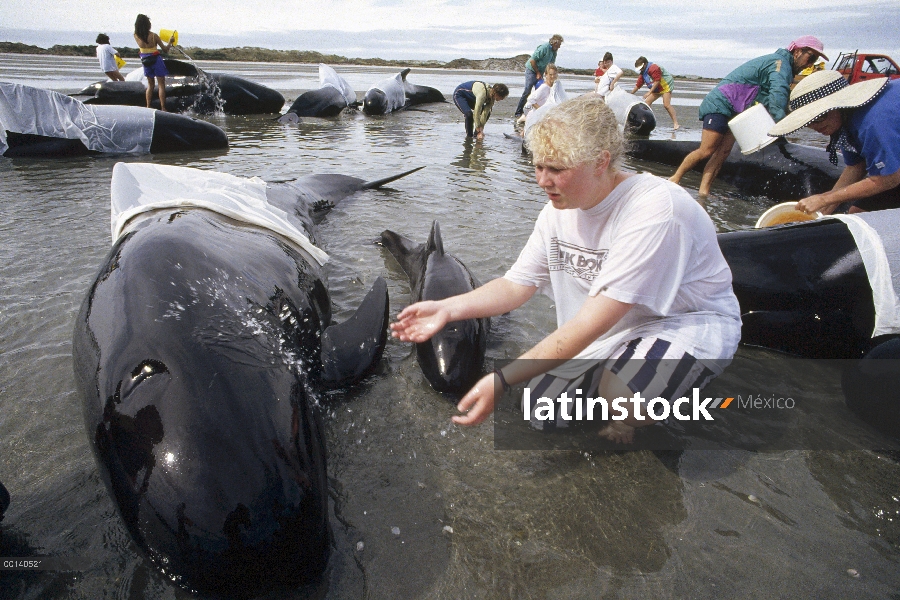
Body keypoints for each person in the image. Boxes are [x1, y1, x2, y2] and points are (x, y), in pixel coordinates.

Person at [390, 95, 741, 444]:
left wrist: (502, 378)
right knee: (543, 412)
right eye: (538, 166)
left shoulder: (656, 210)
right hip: (614, 329)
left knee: (624, 401)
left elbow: (591, 322)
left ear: (601, 162)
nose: (542, 180)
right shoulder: (558, 210)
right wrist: (446, 308)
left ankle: (638, 411)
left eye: (556, 169)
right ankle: (617, 381)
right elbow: (516, 285)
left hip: (682, 322)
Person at [669, 36, 827, 196]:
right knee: (707, 150)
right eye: (811, 58)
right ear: (798, 51)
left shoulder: (782, 65)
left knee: (723, 153)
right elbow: (777, 97)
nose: (809, 64)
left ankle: (704, 193)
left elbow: (776, 100)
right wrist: (782, 129)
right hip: (721, 102)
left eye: (813, 61)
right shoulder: (780, 64)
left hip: (738, 110)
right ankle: (674, 179)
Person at [767, 69, 900, 214]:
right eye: (808, 122)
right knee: (856, 213)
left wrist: (825, 199)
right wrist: (821, 212)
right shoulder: (845, 121)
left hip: (891, 173)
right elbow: (855, 167)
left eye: (819, 117)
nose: (815, 127)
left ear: (840, 105)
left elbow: (889, 179)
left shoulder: (873, 122)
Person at [513, 34, 564, 119]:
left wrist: (548, 75)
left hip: (541, 71)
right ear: (554, 43)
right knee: (527, 90)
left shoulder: (554, 52)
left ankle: (536, 112)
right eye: (558, 45)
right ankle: (518, 112)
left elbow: (550, 65)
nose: (559, 47)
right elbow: (532, 61)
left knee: (542, 90)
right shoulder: (544, 48)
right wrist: (537, 73)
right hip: (532, 70)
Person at [133, 14, 175, 111]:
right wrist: (170, 41)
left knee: (150, 84)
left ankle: (148, 106)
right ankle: (163, 107)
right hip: (156, 60)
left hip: (145, 60)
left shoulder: (136, 35)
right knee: (161, 84)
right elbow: (165, 50)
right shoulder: (153, 36)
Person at [631, 56, 679, 129]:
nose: (640, 70)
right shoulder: (643, 73)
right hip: (656, 88)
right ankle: (649, 122)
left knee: (666, 105)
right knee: (647, 103)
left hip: (665, 85)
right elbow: (638, 85)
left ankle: (676, 123)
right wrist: (630, 94)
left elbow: (657, 81)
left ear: (644, 64)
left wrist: (649, 92)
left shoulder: (653, 68)